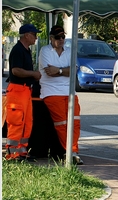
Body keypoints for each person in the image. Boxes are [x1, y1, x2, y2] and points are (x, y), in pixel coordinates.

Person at [38, 25, 83, 165]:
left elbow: (73, 71)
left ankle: (73, 150)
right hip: (51, 91)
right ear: (51, 38)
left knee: (75, 121)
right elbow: (48, 72)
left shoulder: (69, 51)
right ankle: (69, 151)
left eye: (63, 36)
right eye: (58, 37)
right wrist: (64, 71)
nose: (61, 39)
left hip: (69, 91)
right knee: (62, 123)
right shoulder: (45, 51)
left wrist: (58, 70)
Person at [4, 24, 42, 161]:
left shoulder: (25, 50)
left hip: (25, 90)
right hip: (17, 90)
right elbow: (15, 71)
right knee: (16, 121)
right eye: (34, 34)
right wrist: (33, 73)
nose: (36, 37)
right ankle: (12, 154)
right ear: (26, 35)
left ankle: (21, 151)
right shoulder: (18, 50)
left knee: (26, 122)